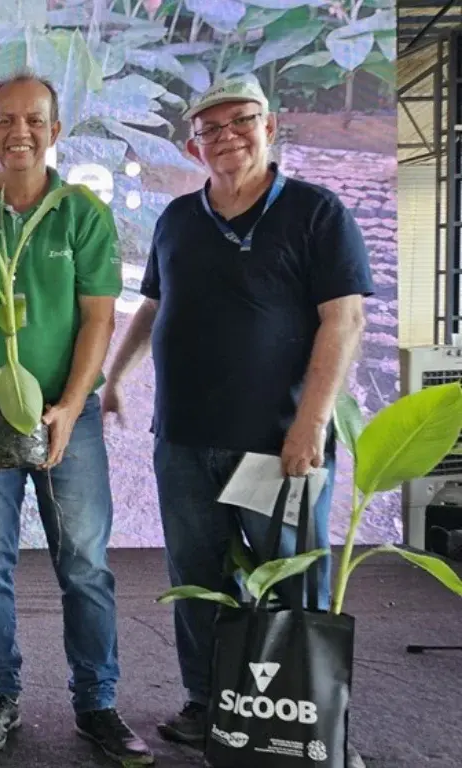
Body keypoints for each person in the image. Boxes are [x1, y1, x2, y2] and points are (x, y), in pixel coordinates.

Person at [102, 75, 372, 763]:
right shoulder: (177, 219)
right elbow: (153, 305)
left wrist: (309, 425)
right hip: (184, 441)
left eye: (241, 121)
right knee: (198, 579)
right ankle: (210, 703)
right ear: (195, 146)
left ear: (269, 126)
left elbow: (343, 321)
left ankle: (299, 716)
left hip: (276, 444)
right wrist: (116, 376)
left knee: (289, 579)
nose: (227, 137)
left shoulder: (316, 212)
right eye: (211, 129)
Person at [0, 71, 153, 765]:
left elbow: (97, 319)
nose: (19, 132)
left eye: (34, 120)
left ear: (55, 131)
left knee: (85, 566)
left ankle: (97, 704)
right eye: (6, 119)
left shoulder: (80, 212)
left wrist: (69, 405)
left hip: (69, 417)